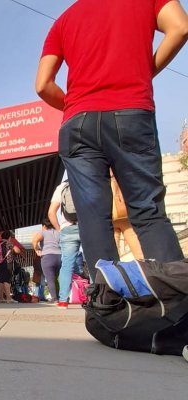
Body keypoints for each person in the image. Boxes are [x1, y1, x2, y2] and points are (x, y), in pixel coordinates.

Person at [36, 0, 188, 280]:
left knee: (94, 221)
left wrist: (77, 104)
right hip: (131, 111)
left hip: (77, 123)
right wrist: (146, 71)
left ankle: (112, 310)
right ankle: (177, 313)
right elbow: (180, 27)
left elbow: (43, 84)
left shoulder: (64, 20)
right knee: (147, 212)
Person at [48, 181, 83, 309]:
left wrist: (59, 229)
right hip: (88, 225)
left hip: (67, 228)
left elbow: (51, 213)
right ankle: (98, 297)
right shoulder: (88, 177)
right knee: (93, 261)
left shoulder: (62, 186)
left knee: (67, 265)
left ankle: (63, 300)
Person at [111, 172, 144, 260]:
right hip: (126, 215)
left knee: (112, 255)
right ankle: (146, 270)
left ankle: (115, 272)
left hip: (109, 218)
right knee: (139, 252)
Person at [32, 218, 62, 303]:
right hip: (59, 256)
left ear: (44, 226)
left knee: (50, 279)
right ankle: (61, 297)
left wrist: (37, 250)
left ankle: (54, 299)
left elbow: (34, 241)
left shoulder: (43, 232)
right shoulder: (58, 232)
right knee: (57, 278)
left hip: (48, 257)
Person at [0, 230, 22, 304]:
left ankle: (1, 298)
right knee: (7, 280)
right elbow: (17, 251)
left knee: (1, 280)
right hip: (7, 263)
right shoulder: (9, 243)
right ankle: (8, 298)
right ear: (9, 237)